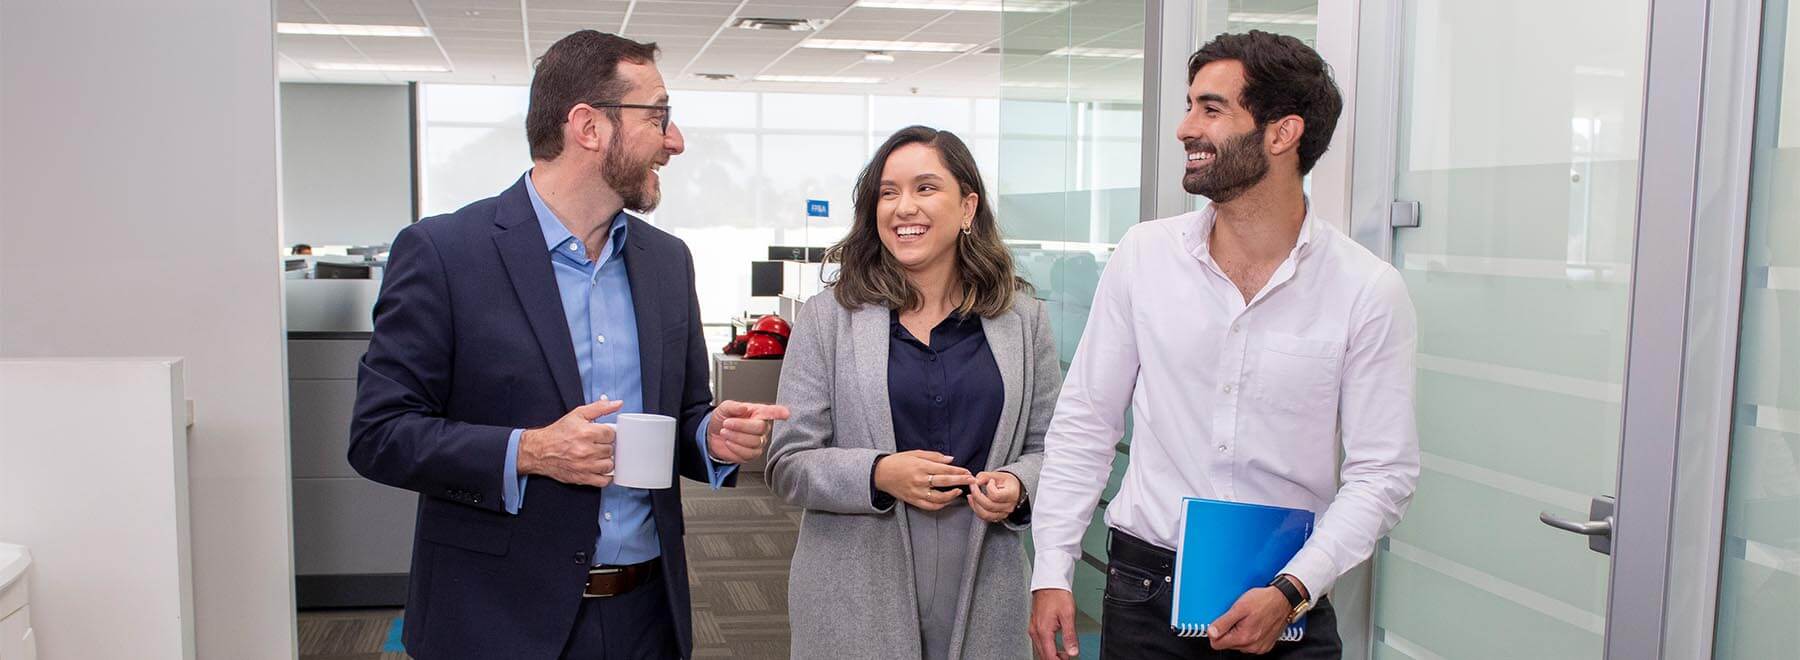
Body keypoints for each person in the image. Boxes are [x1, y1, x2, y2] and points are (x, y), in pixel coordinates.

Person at [348, 30, 788, 659]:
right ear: (588, 125)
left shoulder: (667, 262)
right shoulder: (445, 254)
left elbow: (685, 411)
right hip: (496, 621)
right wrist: (529, 451)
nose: (676, 140)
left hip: (646, 618)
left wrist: (709, 436)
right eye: (658, 115)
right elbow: (379, 434)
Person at [1027, 31, 1420, 660]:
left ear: (1282, 133)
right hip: (1144, 593)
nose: (1185, 128)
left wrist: (1292, 589)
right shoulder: (1143, 257)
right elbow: (1086, 423)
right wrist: (1052, 568)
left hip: (1289, 596)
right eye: (1189, 106)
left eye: (1211, 109)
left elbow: (1383, 474)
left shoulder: (1366, 290)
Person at [766, 125, 1060, 660]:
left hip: (984, 579)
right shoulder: (829, 319)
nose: (904, 207)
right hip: (856, 587)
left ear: (968, 207)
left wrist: (1018, 484)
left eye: (925, 188)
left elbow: (1051, 449)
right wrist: (879, 473)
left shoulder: (1023, 320)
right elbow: (788, 462)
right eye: (888, 192)